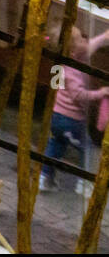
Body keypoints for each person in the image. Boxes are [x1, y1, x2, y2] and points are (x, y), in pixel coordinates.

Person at [40, 24, 109, 194]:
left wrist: (105, 37)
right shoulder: (72, 71)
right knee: (88, 150)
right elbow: (78, 96)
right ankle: (84, 183)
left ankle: (45, 177)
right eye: (79, 39)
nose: (84, 39)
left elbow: (91, 45)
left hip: (57, 117)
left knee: (56, 144)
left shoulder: (71, 59)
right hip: (71, 121)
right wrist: (99, 93)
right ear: (72, 52)